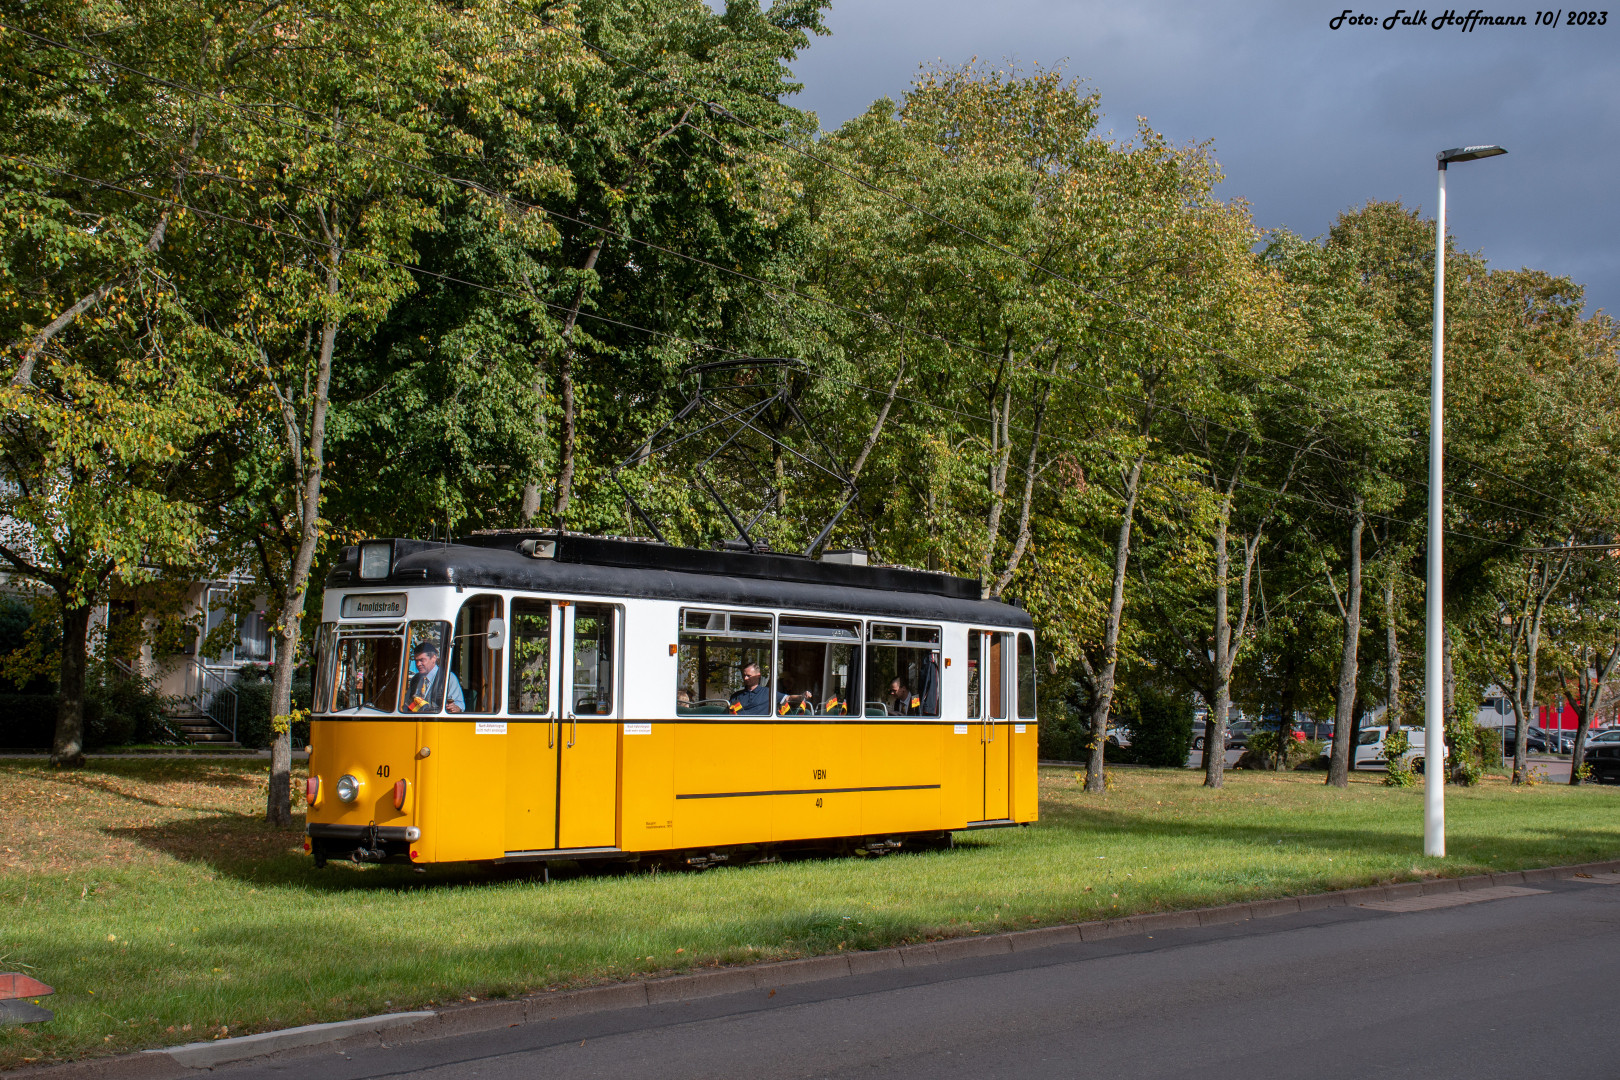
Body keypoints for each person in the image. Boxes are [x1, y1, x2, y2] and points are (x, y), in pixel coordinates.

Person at [404, 639, 464, 713]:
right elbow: (406, 705)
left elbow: (459, 704)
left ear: (434, 658)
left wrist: (456, 707)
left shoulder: (448, 678)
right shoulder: (415, 679)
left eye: (422, 660)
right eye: (416, 660)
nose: (418, 664)